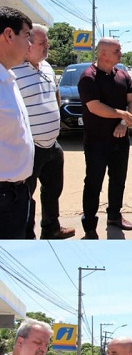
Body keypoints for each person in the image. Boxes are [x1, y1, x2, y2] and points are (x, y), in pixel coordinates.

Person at [12, 24, 74, 240]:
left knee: (53, 190)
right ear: (27, 45)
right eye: (42, 43)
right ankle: (27, 236)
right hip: (29, 149)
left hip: (52, 145)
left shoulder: (47, 67)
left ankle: (51, 228)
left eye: (47, 42)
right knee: (26, 196)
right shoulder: (13, 72)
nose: (47, 46)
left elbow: (56, 96)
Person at [78, 37, 132, 239]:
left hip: (120, 140)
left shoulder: (123, 74)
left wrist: (123, 123)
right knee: (94, 182)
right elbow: (94, 107)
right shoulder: (89, 77)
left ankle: (114, 216)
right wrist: (121, 114)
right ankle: (89, 226)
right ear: (103, 53)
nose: (121, 54)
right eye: (117, 51)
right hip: (96, 142)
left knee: (118, 180)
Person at [0, 6, 34, 240]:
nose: (30, 45)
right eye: (27, 37)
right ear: (9, 35)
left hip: (17, 193)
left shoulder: (8, 77)